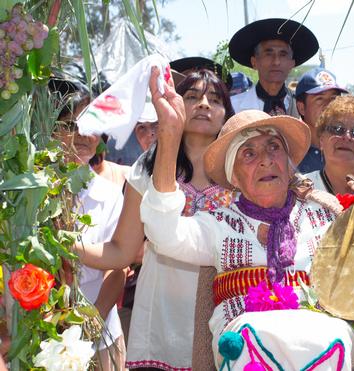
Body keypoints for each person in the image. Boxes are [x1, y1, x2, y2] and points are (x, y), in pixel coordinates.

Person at [139, 66, 354, 368]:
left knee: (333, 334)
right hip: (245, 349)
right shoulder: (218, 224)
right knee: (251, 335)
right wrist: (169, 135)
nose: (266, 160)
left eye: (273, 148)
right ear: (234, 176)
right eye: (249, 154)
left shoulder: (324, 215)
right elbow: (162, 231)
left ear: (288, 163)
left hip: (322, 347)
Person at [75, 66, 235, 370]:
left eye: (215, 99)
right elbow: (121, 250)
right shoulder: (145, 169)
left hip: (226, 312)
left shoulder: (241, 170)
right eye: (192, 96)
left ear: (226, 114)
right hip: (162, 316)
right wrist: (64, 244)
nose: (203, 104)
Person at [52, 80, 126, 371]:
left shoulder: (108, 194)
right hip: (34, 330)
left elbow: (118, 268)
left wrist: (91, 322)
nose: (83, 135)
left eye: (92, 125)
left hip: (98, 337)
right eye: (71, 125)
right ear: (51, 128)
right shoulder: (28, 192)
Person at [228, 18, 319, 116]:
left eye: (283, 54)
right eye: (268, 54)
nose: (276, 62)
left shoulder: (302, 108)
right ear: (254, 62)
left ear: (292, 64)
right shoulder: (233, 107)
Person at [295, 67, 348, 173]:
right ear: (301, 108)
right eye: (319, 99)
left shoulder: (351, 146)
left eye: (333, 99)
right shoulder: (289, 154)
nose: (328, 106)